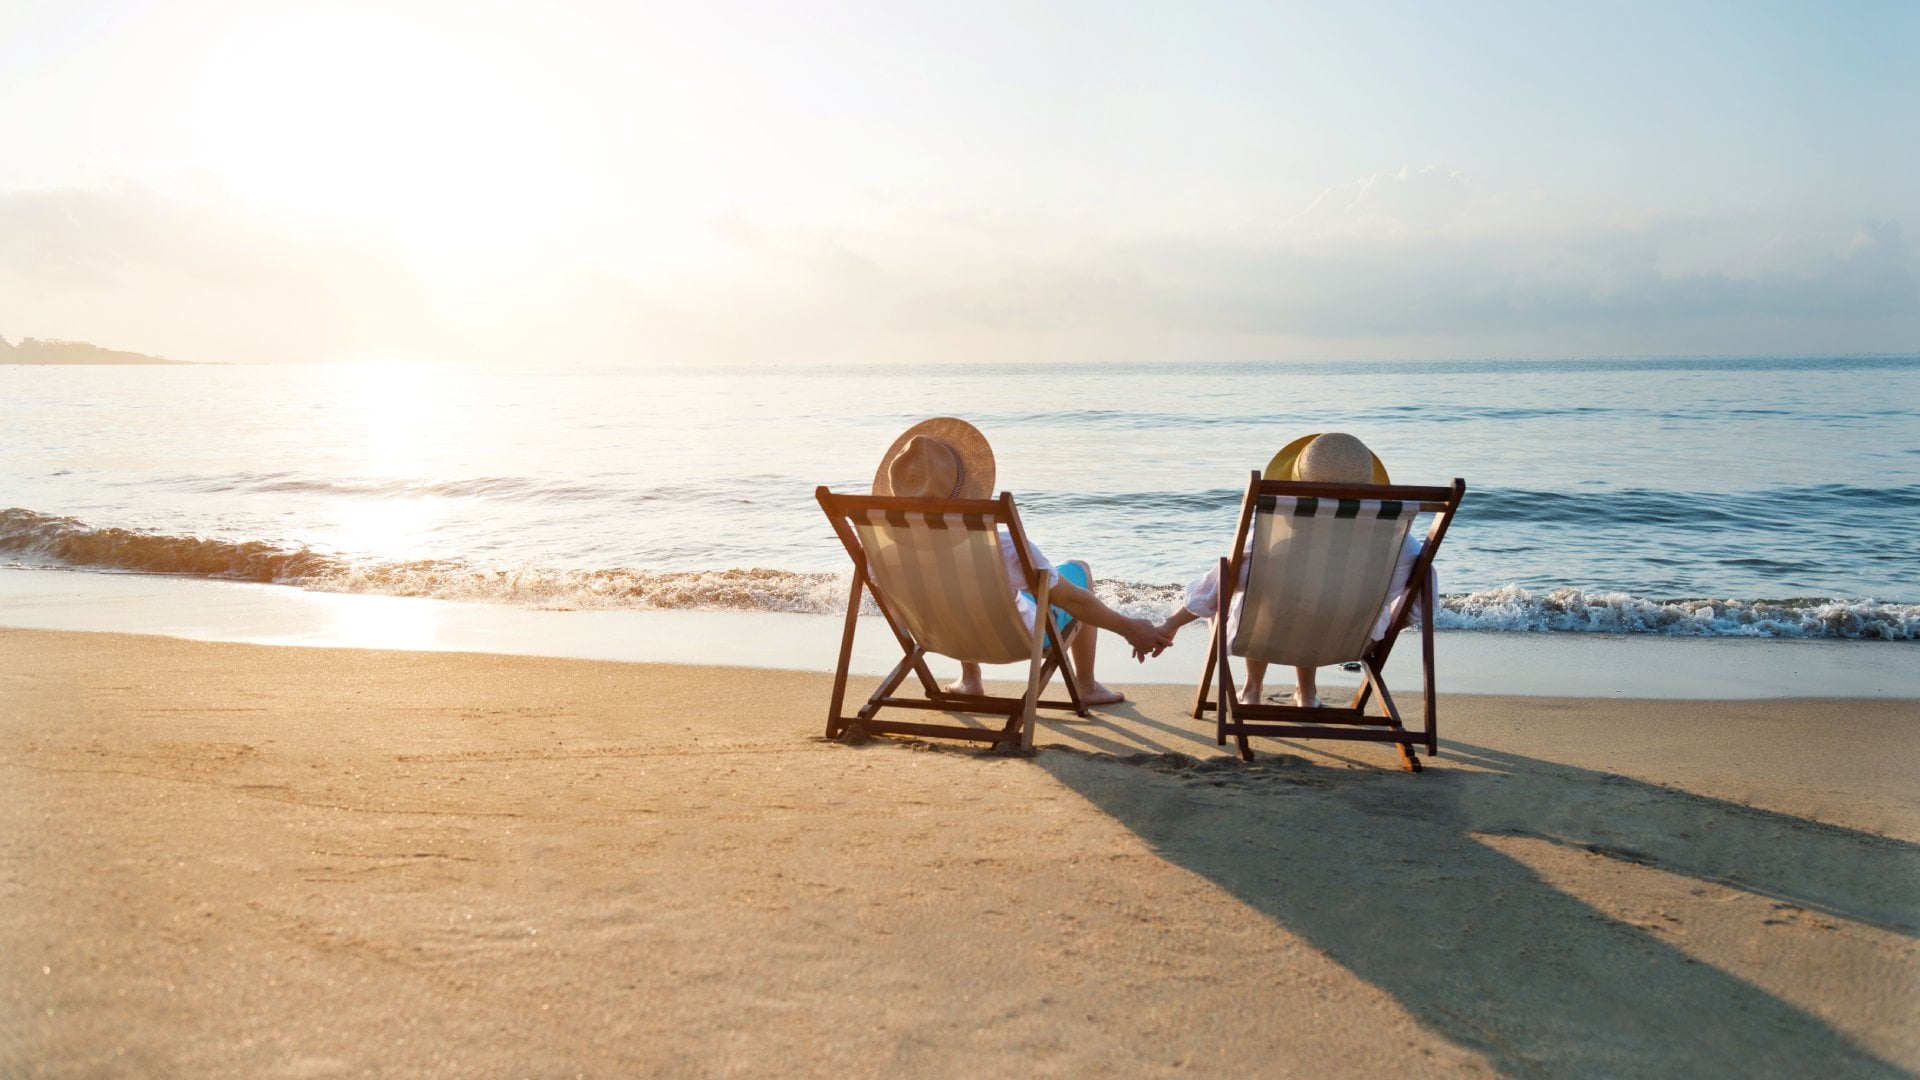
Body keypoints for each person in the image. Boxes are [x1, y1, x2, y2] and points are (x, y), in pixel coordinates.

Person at [874, 417, 1173, 706]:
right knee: (1078, 570)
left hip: (937, 638)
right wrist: (1131, 629)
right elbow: (1075, 602)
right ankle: (1086, 686)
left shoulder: (880, 552)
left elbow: (898, 606)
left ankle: (970, 679)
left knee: (951, 589)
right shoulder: (1000, 548)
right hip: (1018, 639)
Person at [1154, 432, 1422, 707]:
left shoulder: (1271, 537)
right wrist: (1379, 633)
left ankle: (1252, 691)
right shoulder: (1400, 544)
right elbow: (1419, 605)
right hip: (1351, 643)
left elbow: (1215, 588)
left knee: (1263, 599)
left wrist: (1170, 625)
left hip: (1264, 637)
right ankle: (1307, 695)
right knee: (1318, 602)